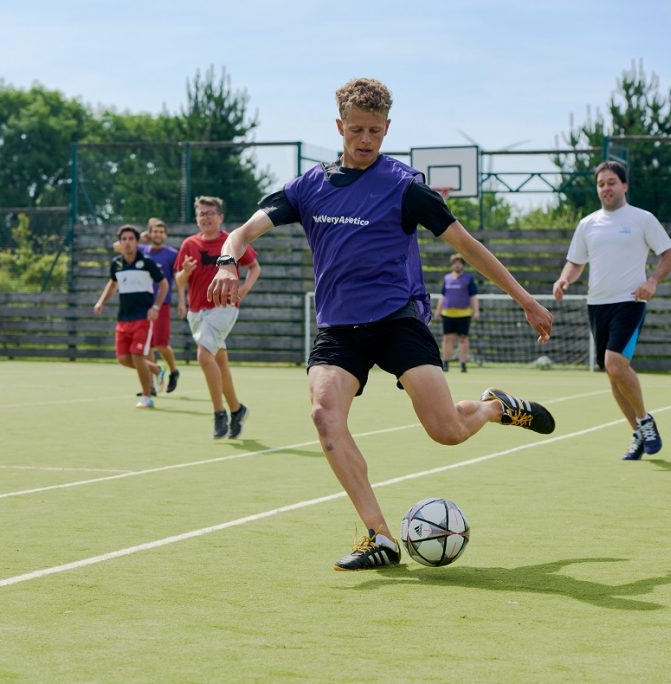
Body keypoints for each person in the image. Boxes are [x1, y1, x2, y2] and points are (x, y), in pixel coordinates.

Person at [207, 78, 554, 571]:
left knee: (447, 432)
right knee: (325, 417)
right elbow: (244, 231)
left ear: (387, 128)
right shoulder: (310, 186)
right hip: (339, 330)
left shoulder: (405, 187)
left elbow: (468, 246)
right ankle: (380, 537)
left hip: (397, 321)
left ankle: (495, 409)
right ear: (339, 128)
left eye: (374, 130)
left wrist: (525, 299)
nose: (365, 139)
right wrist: (226, 260)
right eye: (356, 130)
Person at [553, 160, 671, 461]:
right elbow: (576, 262)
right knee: (612, 374)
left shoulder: (642, 219)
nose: (606, 188)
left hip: (630, 301)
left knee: (614, 363)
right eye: (601, 184)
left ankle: (645, 420)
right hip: (597, 304)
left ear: (624, 185)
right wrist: (564, 278)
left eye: (611, 182)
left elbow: (669, 256)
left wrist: (652, 281)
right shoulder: (587, 224)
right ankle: (636, 432)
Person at [175, 196, 261, 439]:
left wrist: (244, 288)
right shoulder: (189, 244)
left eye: (210, 213)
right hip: (197, 311)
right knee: (218, 361)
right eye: (201, 214)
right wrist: (185, 273)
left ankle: (218, 413)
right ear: (196, 218)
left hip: (224, 307)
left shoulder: (230, 242)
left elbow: (255, 267)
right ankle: (237, 409)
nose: (206, 218)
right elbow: (179, 281)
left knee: (204, 356)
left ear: (220, 217)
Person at [93, 224, 168, 408]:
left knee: (137, 356)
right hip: (123, 319)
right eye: (124, 239)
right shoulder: (116, 264)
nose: (127, 243)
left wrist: (156, 307)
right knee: (123, 359)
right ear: (120, 243)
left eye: (131, 239)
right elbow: (112, 284)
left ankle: (146, 395)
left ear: (137, 242)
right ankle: (157, 369)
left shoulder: (148, 263)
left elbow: (164, 284)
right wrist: (101, 302)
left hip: (143, 317)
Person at [140, 218, 181, 393]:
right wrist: (141, 239)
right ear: (150, 233)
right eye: (154, 231)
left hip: (162, 303)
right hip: (142, 303)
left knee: (161, 344)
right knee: (146, 345)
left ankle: (173, 371)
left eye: (161, 231)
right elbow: (117, 246)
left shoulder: (172, 254)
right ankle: (150, 386)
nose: (157, 234)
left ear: (165, 234)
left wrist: (181, 301)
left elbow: (179, 280)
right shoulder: (141, 250)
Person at [433, 254, 480, 372]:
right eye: (455, 263)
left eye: (459, 263)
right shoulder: (447, 278)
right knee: (447, 339)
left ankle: (463, 364)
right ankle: (446, 363)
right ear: (452, 265)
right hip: (448, 313)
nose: (457, 265)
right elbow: (443, 296)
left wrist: (476, 311)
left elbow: (473, 297)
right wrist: (438, 310)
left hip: (463, 314)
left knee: (463, 339)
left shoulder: (468, 279)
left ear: (463, 265)